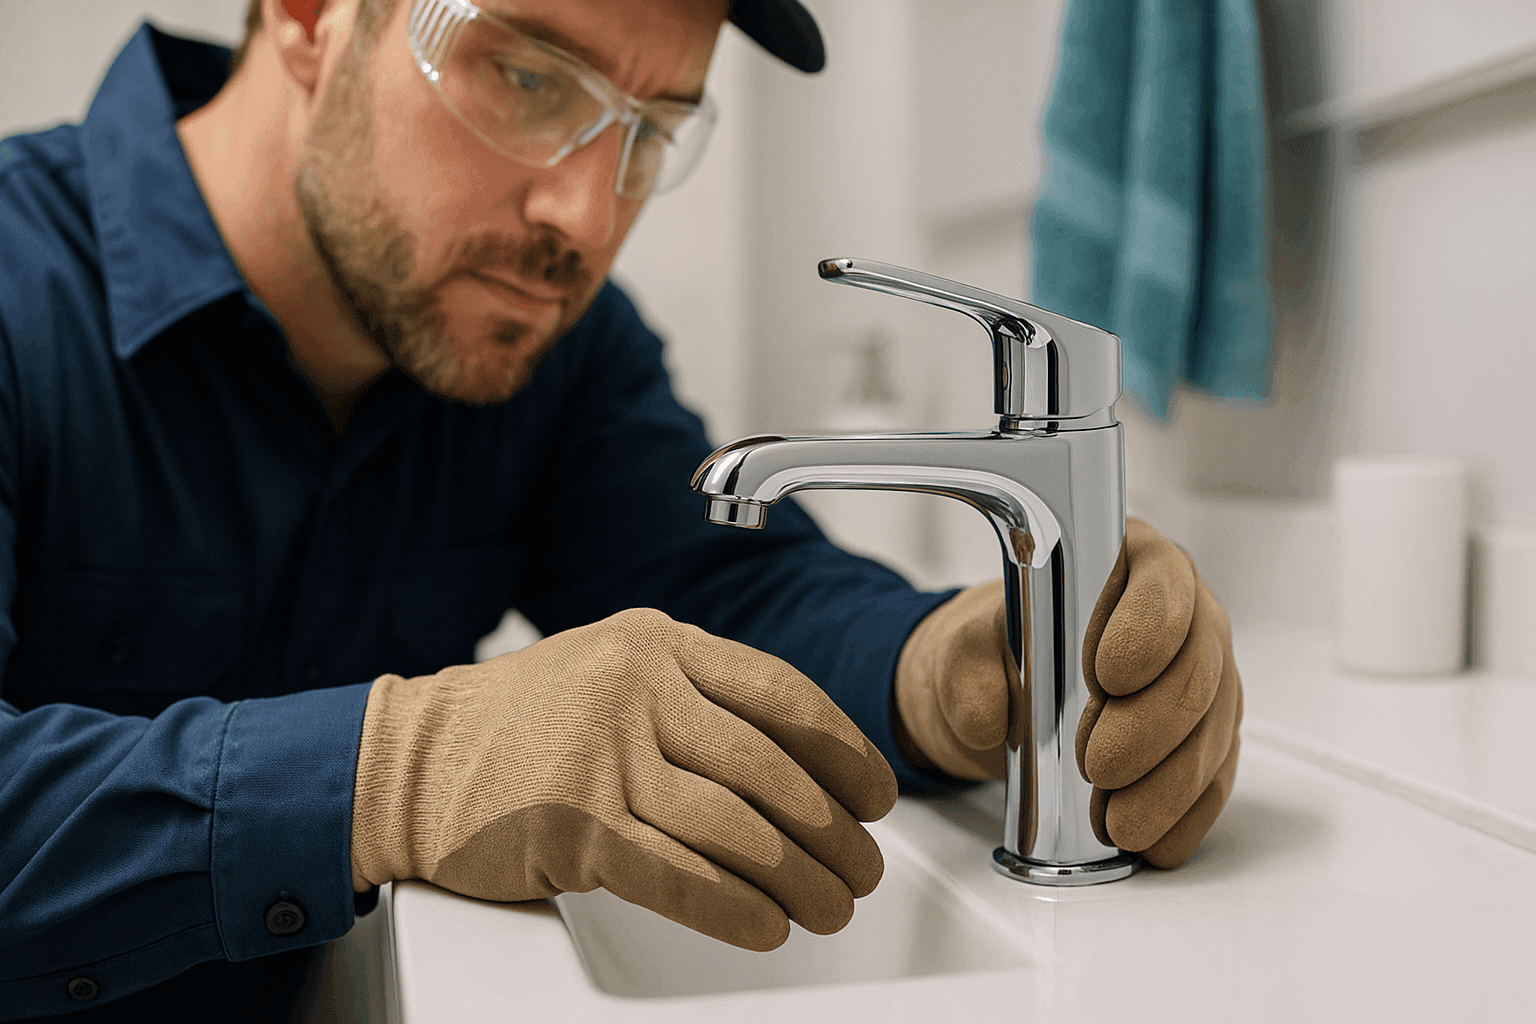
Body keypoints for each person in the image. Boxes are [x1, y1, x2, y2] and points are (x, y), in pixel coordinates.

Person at [0, 0, 1243, 1018]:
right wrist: (391, 772)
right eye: (530, 80)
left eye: (646, 133)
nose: (586, 221)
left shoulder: (549, 347)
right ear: (314, 17)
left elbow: (717, 583)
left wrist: (949, 669)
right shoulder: (17, 287)